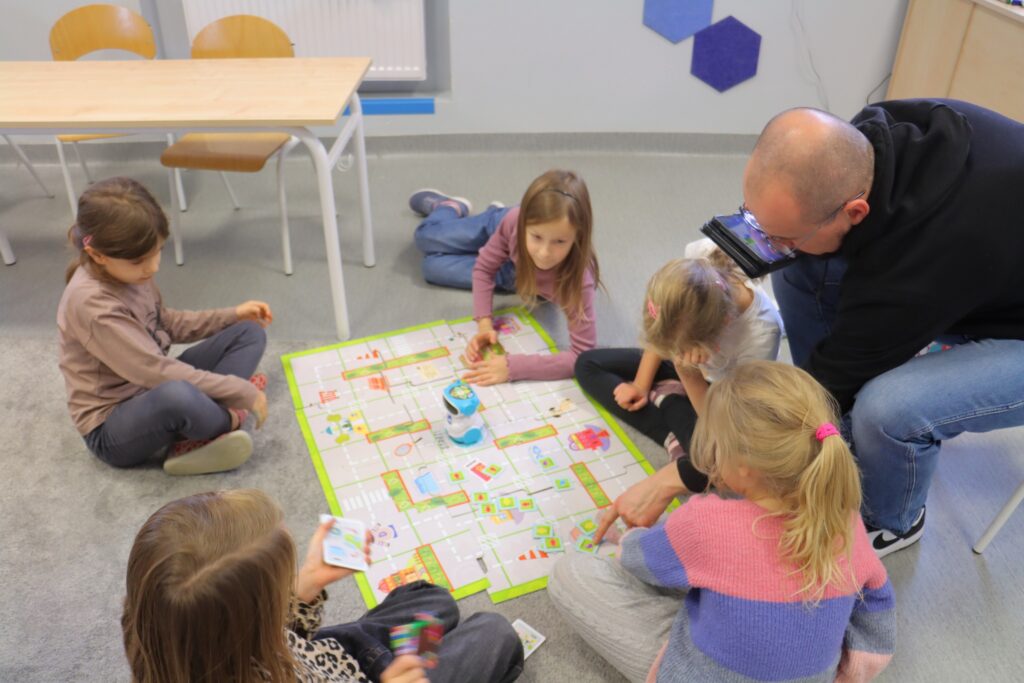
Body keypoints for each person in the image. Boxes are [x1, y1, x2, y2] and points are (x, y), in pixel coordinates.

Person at [738, 99, 1024, 556]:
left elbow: (882, 314)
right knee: (800, 269)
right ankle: (837, 432)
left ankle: (892, 518)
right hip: (989, 274)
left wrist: (703, 468)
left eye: (783, 236)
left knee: (887, 410)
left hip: (1001, 312)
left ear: (855, 211)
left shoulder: (922, 265)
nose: (770, 246)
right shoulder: (868, 143)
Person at [548, 361, 896, 683]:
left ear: (743, 467)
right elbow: (877, 612)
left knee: (572, 573)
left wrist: (626, 539)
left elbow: (638, 560)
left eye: (717, 445)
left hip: (699, 674)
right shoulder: (848, 522)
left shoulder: (707, 522)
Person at [122, 489, 524, 682]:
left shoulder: (177, 638)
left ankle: (407, 657)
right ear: (251, 621)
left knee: (434, 601)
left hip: (330, 657)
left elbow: (281, 638)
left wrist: (304, 587)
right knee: (495, 632)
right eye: (281, 582)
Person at [57, 177, 271, 476]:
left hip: (151, 386)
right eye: (140, 261)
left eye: (157, 251)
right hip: (112, 427)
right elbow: (154, 371)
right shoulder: (93, 306)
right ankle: (223, 421)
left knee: (248, 332)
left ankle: (205, 418)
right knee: (177, 395)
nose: (153, 267)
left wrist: (232, 314)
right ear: (97, 255)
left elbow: (166, 323)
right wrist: (241, 391)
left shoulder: (129, 273)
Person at [577, 250, 782, 502]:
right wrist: (641, 385)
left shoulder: (761, 335)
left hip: (721, 401)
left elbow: (723, 425)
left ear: (724, 324)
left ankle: (668, 400)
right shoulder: (699, 263)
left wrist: (688, 373)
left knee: (709, 465)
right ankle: (669, 408)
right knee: (587, 364)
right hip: (684, 361)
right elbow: (666, 332)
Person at [410, 169, 600, 384]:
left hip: (518, 275)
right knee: (424, 237)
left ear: (578, 237)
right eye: (537, 237)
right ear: (524, 225)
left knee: (431, 267)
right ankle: (449, 207)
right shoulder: (514, 221)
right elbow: (484, 268)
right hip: (501, 226)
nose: (544, 253)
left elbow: (582, 357)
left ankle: (494, 245)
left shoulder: (580, 282)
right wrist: (484, 324)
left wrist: (514, 367)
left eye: (560, 241)